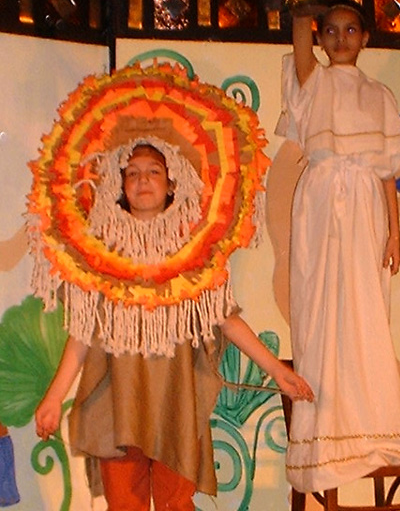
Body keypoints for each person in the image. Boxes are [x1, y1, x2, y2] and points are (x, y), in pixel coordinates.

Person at [35, 141, 314, 511]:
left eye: (154, 171)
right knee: (124, 504)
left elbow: (226, 318)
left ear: (171, 183)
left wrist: (277, 370)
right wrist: (54, 397)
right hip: (116, 399)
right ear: (120, 185)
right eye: (132, 173)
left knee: (176, 503)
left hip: (176, 397)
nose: (142, 179)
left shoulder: (194, 250)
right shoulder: (101, 251)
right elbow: (83, 332)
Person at [277, 0, 400, 494]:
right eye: (330, 30)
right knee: (318, 313)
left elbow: (386, 171)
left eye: (350, 29)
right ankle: (323, 440)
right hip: (318, 204)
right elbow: (298, 26)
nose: (338, 38)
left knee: (365, 314)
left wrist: (394, 232)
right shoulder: (311, 82)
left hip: (364, 208)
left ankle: (370, 431)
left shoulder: (378, 94)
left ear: (366, 37)